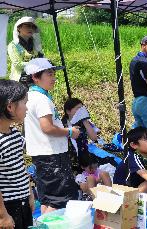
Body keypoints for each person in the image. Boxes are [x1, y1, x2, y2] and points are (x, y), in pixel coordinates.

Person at [24, 58, 79, 214]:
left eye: (54, 74)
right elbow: (47, 127)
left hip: (41, 155)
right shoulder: (41, 100)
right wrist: (70, 132)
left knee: (47, 198)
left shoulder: (31, 97)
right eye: (49, 74)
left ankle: (43, 224)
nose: (54, 78)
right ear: (35, 77)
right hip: (52, 156)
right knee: (59, 200)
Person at [0, 80, 34, 229]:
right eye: (24, 103)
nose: (27, 108)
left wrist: (30, 193)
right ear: (10, 106)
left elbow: (21, 167)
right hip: (7, 207)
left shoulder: (15, 135)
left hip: (23, 201)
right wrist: (3, 215)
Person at [62, 98, 100, 170]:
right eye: (78, 109)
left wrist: (85, 121)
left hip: (84, 156)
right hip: (70, 159)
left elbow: (94, 138)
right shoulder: (62, 125)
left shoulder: (84, 122)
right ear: (68, 111)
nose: (81, 111)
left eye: (82, 109)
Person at [7, 16, 43, 82]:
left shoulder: (35, 44)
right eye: (28, 26)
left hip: (35, 77)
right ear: (19, 28)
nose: (31, 28)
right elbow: (17, 64)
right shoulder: (13, 45)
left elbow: (41, 58)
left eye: (33, 27)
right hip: (20, 80)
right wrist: (36, 63)